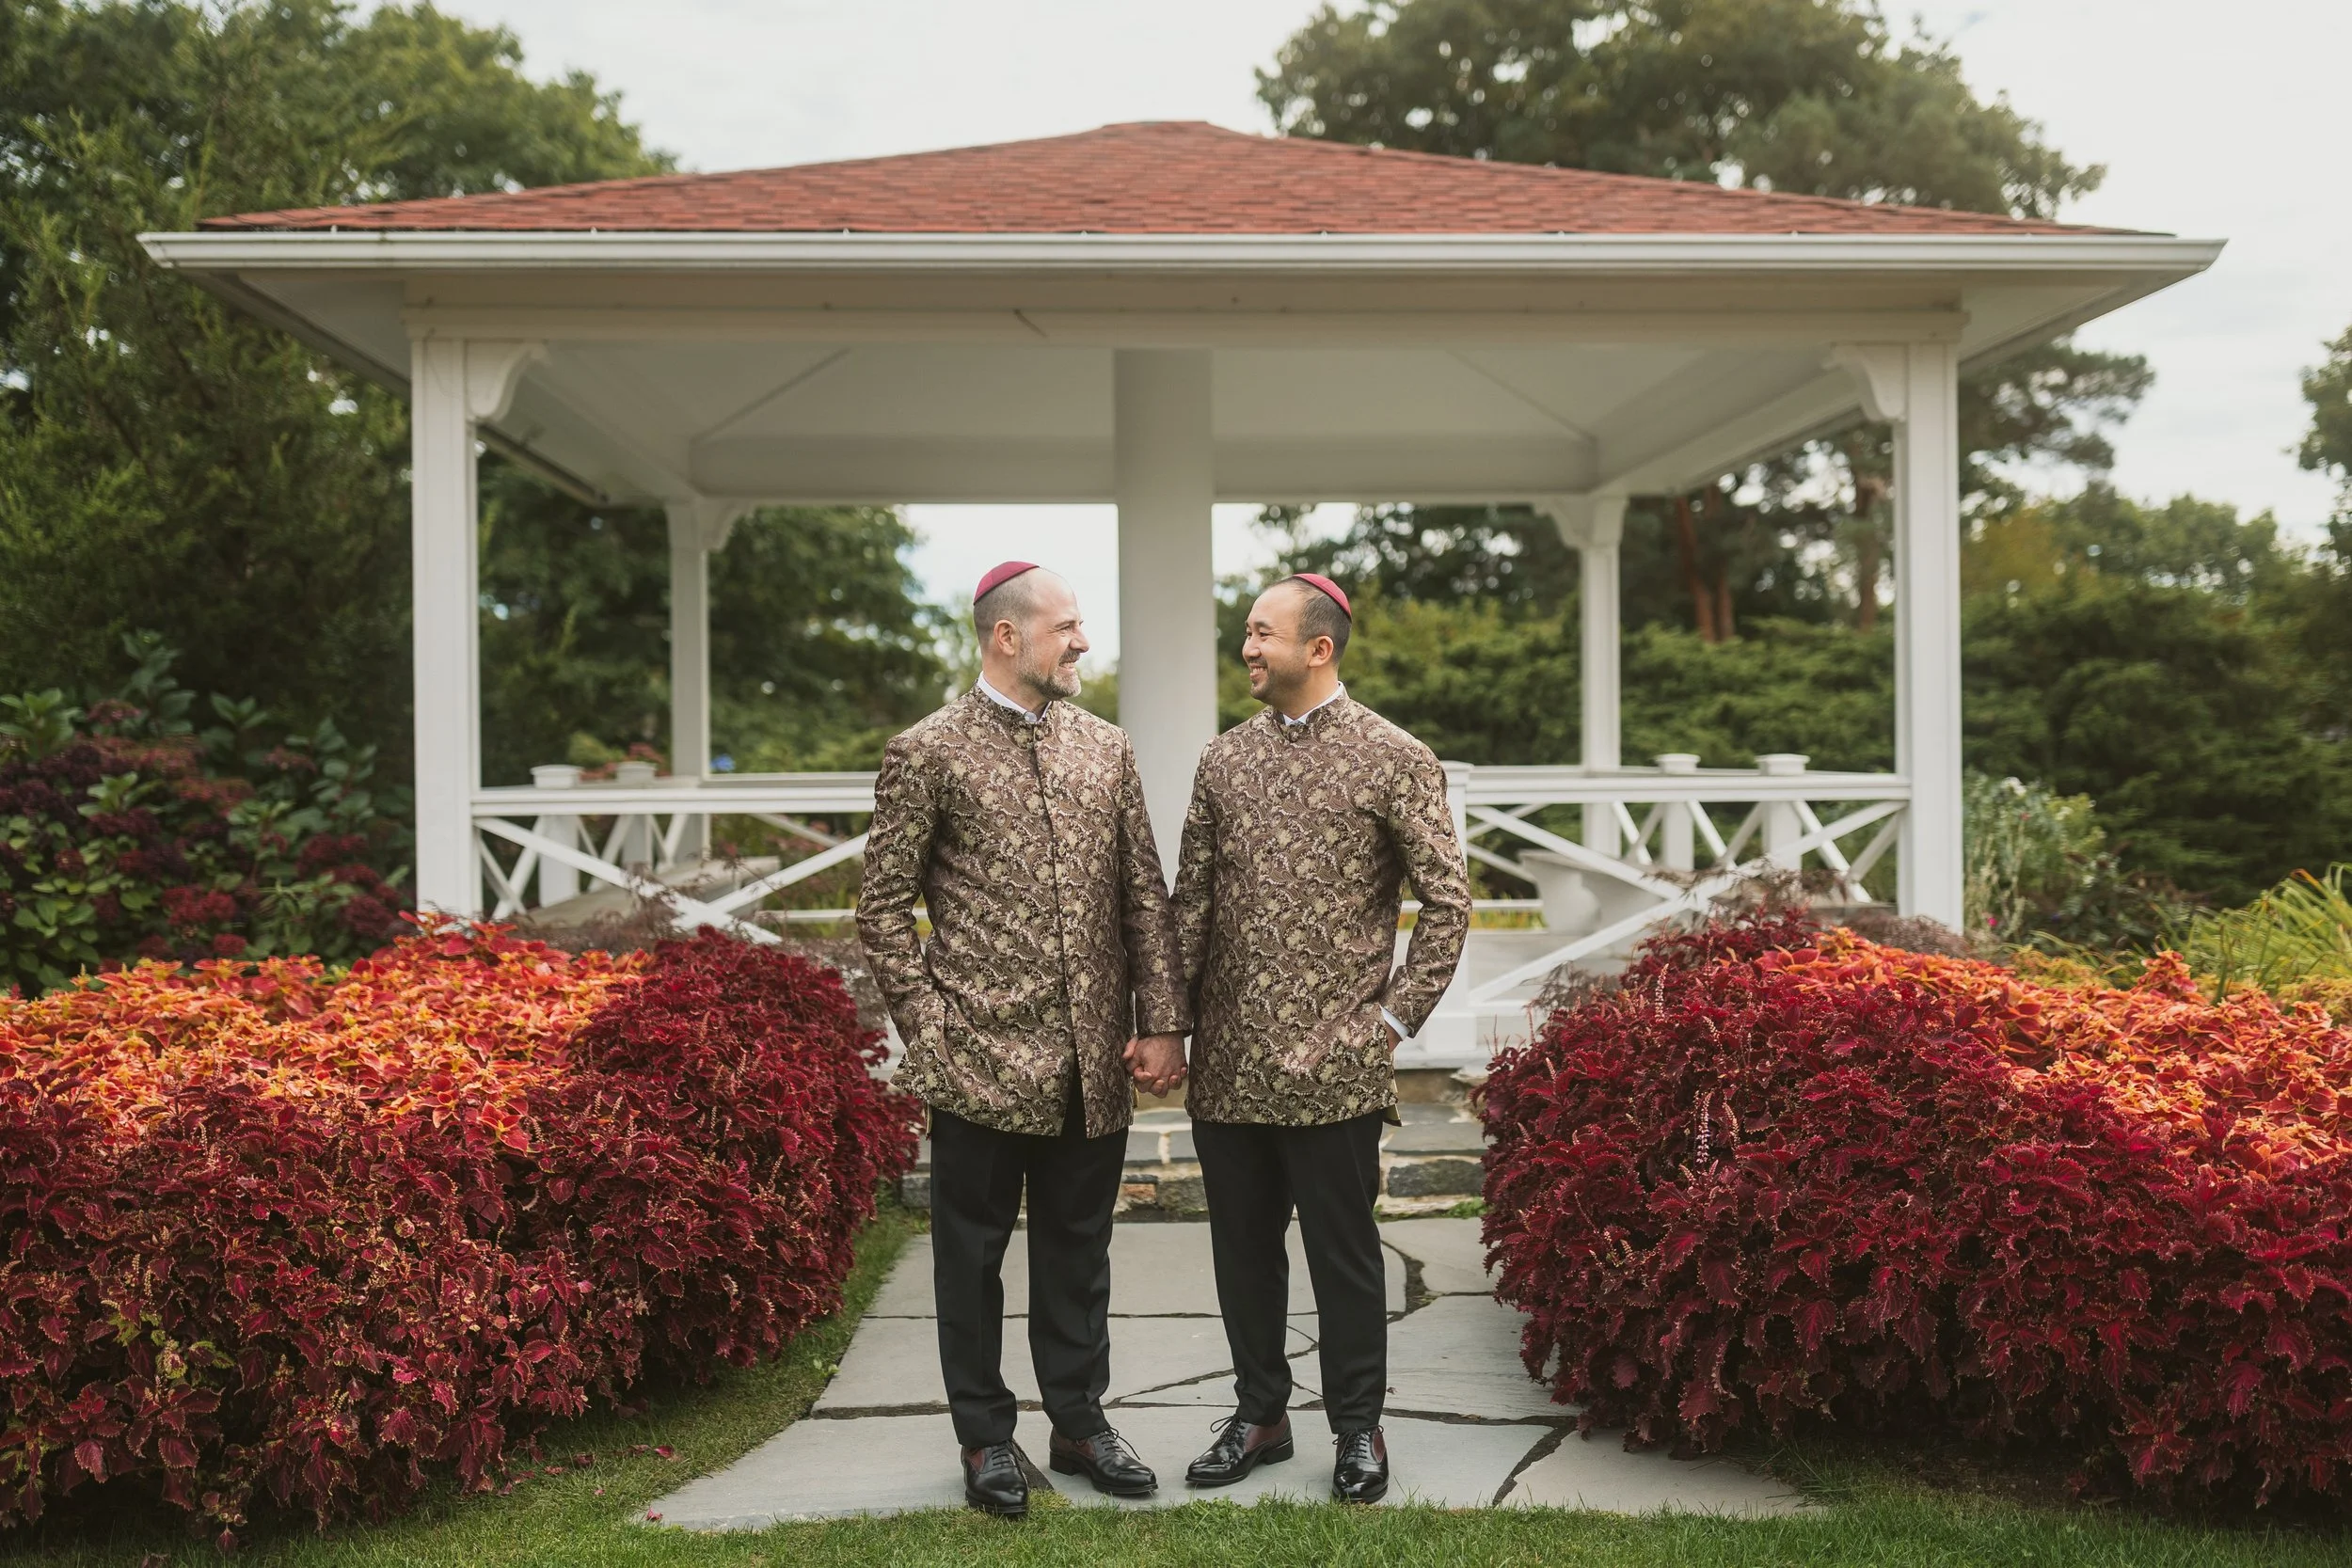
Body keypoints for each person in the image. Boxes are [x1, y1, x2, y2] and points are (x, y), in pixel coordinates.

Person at [857, 561, 1189, 1519]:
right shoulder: (926, 751)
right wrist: (933, 1033)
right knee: (971, 1256)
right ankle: (984, 1436)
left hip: (1094, 1061)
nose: (1082, 641)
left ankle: (1080, 1423)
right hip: (979, 1063)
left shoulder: (1106, 748)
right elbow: (882, 908)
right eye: (1067, 626)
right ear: (1007, 635)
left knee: (1080, 1252)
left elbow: (1142, 896)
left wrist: (1158, 1020)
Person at [1171, 572, 1471, 1505]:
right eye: (1246, 633)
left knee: (1343, 1253)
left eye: (1262, 633)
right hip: (1227, 1062)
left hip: (1336, 1065)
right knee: (1241, 1250)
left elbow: (1448, 903)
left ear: (1319, 647)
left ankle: (1357, 1426)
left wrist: (1389, 1020)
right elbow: (1190, 908)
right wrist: (1161, 1021)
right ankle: (1259, 1412)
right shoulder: (1222, 760)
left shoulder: (1396, 756)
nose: (1247, 648)